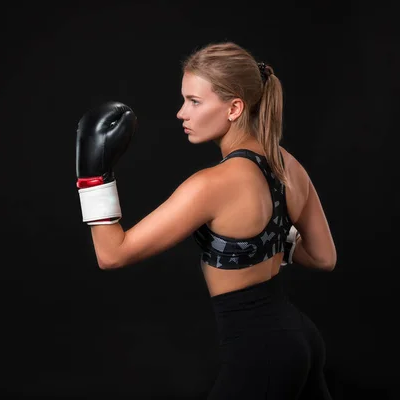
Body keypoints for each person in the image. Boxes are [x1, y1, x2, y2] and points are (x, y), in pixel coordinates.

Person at [75, 41, 337, 399]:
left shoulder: (212, 185)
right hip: (299, 338)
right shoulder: (286, 163)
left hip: (260, 356)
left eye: (194, 102)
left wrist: (92, 175)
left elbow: (112, 254)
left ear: (234, 108)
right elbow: (324, 257)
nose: (182, 113)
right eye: (184, 99)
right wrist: (266, 243)